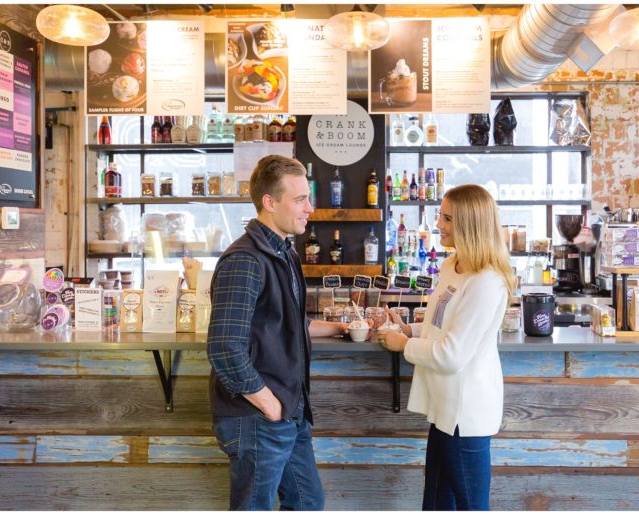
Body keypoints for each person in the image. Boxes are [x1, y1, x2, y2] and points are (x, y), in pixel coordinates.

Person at [207, 155, 361, 511]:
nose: (310, 207)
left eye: (308, 197)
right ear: (269, 202)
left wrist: (340, 327)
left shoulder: (285, 252)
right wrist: (270, 405)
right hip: (260, 415)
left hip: (289, 412)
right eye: (300, 199)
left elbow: (287, 321)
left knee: (308, 502)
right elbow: (224, 347)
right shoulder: (245, 260)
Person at [379, 184, 516, 511]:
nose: (438, 224)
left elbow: (452, 354)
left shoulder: (485, 281)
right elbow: (441, 325)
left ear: (470, 225)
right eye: (441, 215)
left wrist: (404, 344)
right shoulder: (452, 267)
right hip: (444, 410)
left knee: (471, 506)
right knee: (437, 504)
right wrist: (409, 327)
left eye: (447, 218)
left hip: (464, 414)